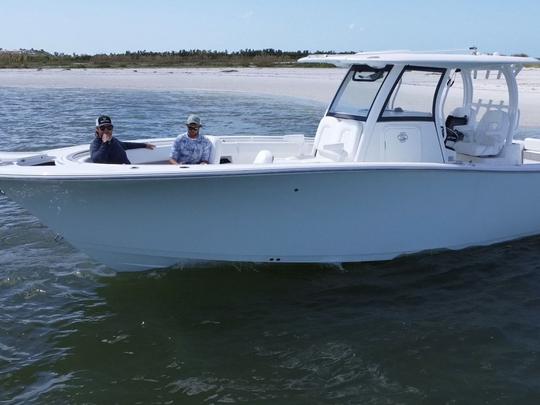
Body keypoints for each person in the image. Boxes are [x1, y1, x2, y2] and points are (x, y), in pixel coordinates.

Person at [90, 115, 155, 164]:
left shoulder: (113, 140)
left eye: (109, 127)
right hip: (118, 175)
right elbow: (97, 160)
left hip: (128, 170)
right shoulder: (96, 144)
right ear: (97, 129)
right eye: (102, 128)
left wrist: (144, 145)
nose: (106, 130)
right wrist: (105, 144)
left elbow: (125, 145)